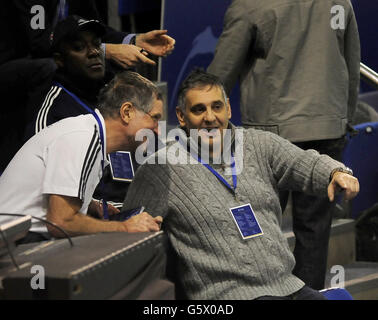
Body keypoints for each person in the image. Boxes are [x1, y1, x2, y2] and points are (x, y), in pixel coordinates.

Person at [122, 69, 359, 299]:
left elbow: (302, 160)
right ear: (181, 116)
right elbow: (128, 233)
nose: (210, 117)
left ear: (228, 109)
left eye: (217, 106)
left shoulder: (258, 143)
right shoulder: (160, 168)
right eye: (198, 109)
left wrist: (336, 171)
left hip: (289, 286)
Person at [207, 0, 360, 290]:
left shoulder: (251, 4)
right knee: (313, 234)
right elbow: (351, 64)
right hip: (327, 127)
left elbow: (220, 73)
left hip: (269, 136)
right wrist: (344, 118)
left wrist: (196, 121)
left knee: (258, 232)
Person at [0, 1, 175, 172]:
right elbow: (39, 43)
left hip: (59, 52)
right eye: (82, 47)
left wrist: (133, 40)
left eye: (95, 46)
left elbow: (95, 28)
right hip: (14, 64)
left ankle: (130, 169)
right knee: (49, 67)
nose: (93, 51)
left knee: (116, 71)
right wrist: (106, 50)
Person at [0, 71, 163, 243]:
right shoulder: (81, 137)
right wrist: (125, 226)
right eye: (155, 118)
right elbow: (61, 222)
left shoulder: (87, 134)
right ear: (127, 112)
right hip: (13, 246)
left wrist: (90, 204)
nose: (159, 130)